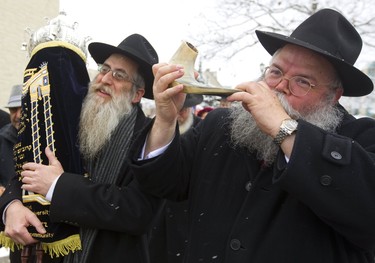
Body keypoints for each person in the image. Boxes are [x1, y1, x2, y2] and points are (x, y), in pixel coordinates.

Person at [129, 9, 375, 262]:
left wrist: (284, 128)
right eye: (276, 72)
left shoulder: (362, 138)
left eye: (302, 81)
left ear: (333, 96)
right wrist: (165, 120)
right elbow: (162, 183)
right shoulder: (221, 124)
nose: (279, 87)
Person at [1, 34, 161, 263]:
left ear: (137, 94)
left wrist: (59, 185)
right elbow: (27, 165)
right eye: (104, 69)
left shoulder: (149, 138)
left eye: (119, 75)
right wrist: (12, 205)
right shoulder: (71, 115)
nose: (105, 78)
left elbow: (137, 211)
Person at [148, 93, 203, 263]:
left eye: (183, 110)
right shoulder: (158, 126)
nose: (178, 114)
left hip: (186, 206)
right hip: (158, 204)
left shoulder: (201, 128)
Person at [0, 85, 22, 191]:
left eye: (22, 109)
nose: (17, 116)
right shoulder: (1, 138)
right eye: (13, 109)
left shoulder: (44, 138)